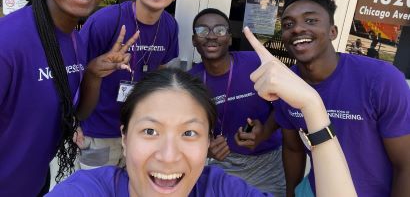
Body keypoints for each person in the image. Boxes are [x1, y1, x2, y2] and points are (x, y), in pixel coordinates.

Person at [47, 38, 356, 196]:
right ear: (125, 138)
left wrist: (313, 107)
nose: (169, 156)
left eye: (189, 133)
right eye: (151, 132)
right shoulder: (88, 190)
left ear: (208, 141)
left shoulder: (218, 189)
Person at [0, 0, 138, 196]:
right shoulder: (8, 41)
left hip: (34, 183)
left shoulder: (74, 40)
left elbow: (77, 115)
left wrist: (93, 74)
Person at [275, 0, 410, 196]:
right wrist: (291, 192)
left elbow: (405, 164)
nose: (297, 29)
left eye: (310, 20)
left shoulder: (381, 79)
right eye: (288, 24)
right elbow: (292, 147)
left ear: (333, 31)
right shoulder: (286, 83)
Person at [75, 0, 180, 168]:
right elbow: (72, 71)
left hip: (140, 133)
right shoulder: (106, 20)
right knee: (95, 190)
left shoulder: (170, 26)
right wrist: (72, 121)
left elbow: (161, 75)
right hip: (98, 131)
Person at [189, 8, 285, 195]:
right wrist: (205, 149)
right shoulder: (190, 82)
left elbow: (283, 108)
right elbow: (183, 130)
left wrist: (264, 132)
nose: (211, 36)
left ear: (230, 38)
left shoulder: (256, 63)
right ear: (194, 40)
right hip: (222, 164)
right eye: (202, 30)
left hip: (267, 163)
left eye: (219, 30)